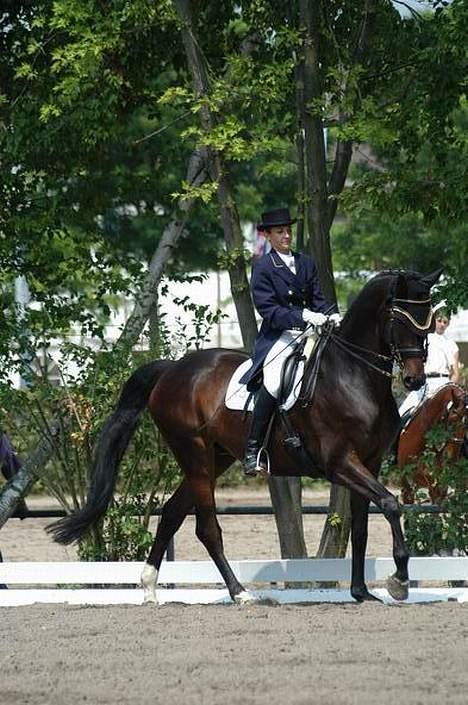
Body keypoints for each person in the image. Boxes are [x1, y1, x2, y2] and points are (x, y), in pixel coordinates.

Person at [240, 207, 340, 475]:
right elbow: (269, 311)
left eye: (288, 230)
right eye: (280, 232)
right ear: (269, 236)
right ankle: (253, 451)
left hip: (312, 331)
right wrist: (303, 315)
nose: (286, 236)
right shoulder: (263, 267)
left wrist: (332, 316)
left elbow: (319, 298)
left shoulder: (306, 262)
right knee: (273, 380)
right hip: (280, 336)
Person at [399, 310, 460, 417]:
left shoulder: (451, 344)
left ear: (448, 324)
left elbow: (455, 373)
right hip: (424, 382)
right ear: (434, 320)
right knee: (402, 413)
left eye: (445, 322)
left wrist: (449, 390)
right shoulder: (424, 338)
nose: (442, 324)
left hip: (442, 382)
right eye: (439, 320)